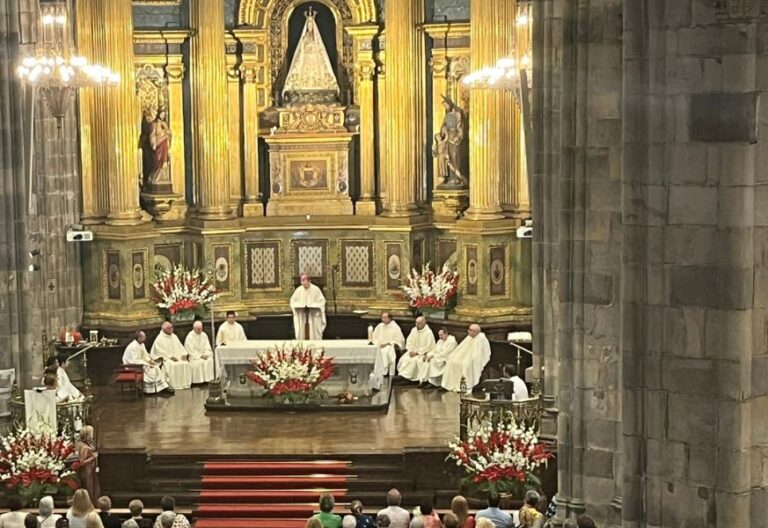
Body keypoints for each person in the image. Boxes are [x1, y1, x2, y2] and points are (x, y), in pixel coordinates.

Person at [441, 324, 491, 392]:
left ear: (475, 332)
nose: (468, 331)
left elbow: (479, 354)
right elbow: (461, 349)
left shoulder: (481, 339)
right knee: (451, 362)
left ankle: (464, 386)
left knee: (465, 365)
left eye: (470, 330)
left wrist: (469, 359)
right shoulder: (469, 337)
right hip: (464, 357)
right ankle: (450, 385)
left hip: (474, 360)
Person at [150, 322, 192, 390]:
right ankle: (174, 385)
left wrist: (184, 355)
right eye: (169, 328)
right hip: (167, 358)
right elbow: (159, 351)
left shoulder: (174, 336)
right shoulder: (159, 339)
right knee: (172, 365)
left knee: (185, 363)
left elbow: (180, 347)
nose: (171, 329)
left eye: (171, 328)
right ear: (163, 329)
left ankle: (185, 384)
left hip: (178, 356)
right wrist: (170, 357)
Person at [370, 313, 405, 388]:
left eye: (384, 318)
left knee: (387, 352)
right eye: (382, 317)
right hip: (379, 345)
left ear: (389, 318)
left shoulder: (395, 327)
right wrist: (378, 343)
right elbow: (374, 337)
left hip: (389, 345)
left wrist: (388, 343)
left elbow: (399, 339)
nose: (382, 319)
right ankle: (379, 371)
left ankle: (386, 372)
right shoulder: (380, 326)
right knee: (377, 351)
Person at [397, 317, 435, 382]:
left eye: (419, 323)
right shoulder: (414, 330)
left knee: (413, 361)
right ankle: (402, 376)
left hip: (422, 353)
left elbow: (429, 346)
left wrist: (417, 353)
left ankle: (408, 379)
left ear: (424, 323)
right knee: (405, 359)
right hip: (412, 352)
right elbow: (409, 341)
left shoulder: (428, 332)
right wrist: (410, 350)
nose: (417, 325)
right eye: (416, 323)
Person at [290, 273, 327, 340]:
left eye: (304, 280)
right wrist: (299, 305)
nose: (303, 282)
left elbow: (322, 301)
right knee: (302, 334)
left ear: (309, 280)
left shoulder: (316, 289)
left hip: (313, 315)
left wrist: (314, 305)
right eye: (301, 280)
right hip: (302, 315)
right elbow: (292, 301)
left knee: (314, 334)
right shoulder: (298, 290)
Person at [78, 426, 100, 500]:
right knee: (89, 488)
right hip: (87, 471)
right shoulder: (84, 447)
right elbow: (81, 462)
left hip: (92, 469)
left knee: (93, 487)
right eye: (91, 433)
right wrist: (92, 457)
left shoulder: (89, 444)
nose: (92, 435)